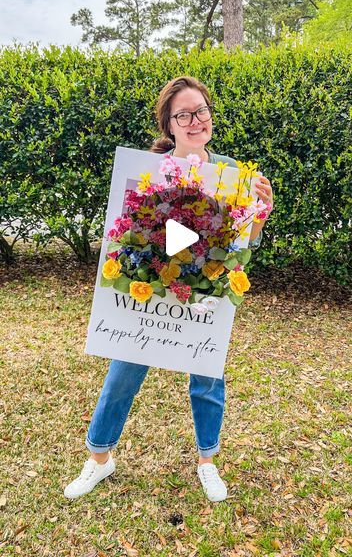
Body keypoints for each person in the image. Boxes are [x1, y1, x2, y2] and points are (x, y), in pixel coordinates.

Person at [64, 76, 273, 502]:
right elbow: (127, 233)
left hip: (207, 289)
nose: (195, 121)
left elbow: (244, 242)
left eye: (201, 111)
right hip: (152, 287)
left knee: (207, 375)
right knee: (123, 372)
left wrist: (260, 215)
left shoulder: (232, 171)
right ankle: (99, 458)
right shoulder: (149, 169)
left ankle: (207, 462)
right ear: (170, 124)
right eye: (184, 115)